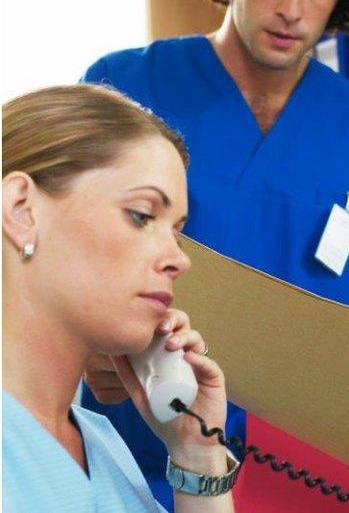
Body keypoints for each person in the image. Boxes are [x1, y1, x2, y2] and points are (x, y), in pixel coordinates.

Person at [80, 0, 349, 507]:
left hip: (310, 476)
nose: (292, 9)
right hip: (144, 456)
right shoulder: (127, 86)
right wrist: (87, 348)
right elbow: (69, 251)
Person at [2, 84, 236, 512]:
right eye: (142, 215)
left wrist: (197, 456)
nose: (179, 260)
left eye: (177, 232)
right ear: (21, 210)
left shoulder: (102, 445)